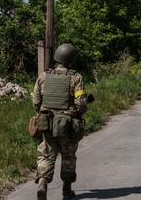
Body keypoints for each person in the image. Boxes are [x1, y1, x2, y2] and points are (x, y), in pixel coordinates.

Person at [33, 43, 88, 199]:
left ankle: (42, 184)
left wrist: (42, 113)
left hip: (47, 123)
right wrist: (79, 113)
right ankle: (66, 190)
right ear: (71, 60)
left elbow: (36, 101)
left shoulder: (43, 76)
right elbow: (81, 103)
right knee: (68, 156)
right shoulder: (76, 77)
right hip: (67, 124)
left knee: (46, 155)